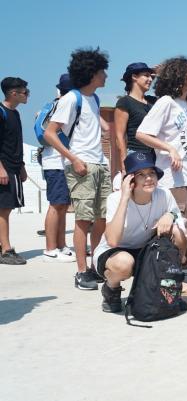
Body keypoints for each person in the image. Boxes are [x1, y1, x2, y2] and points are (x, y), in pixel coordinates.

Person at [44, 48, 111, 289]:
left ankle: (95, 265)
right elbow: (50, 133)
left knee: (102, 218)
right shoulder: (71, 98)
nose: (105, 75)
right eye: (102, 71)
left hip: (100, 163)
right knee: (83, 220)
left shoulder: (94, 99)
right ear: (91, 73)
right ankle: (81, 271)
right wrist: (73, 158)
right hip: (82, 165)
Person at [94, 152, 186, 313]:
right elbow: (113, 241)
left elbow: (182, 228)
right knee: (124, 263)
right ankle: (111, 288)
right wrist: (124, 198)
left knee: (177, 231)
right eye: (141, 175)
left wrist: (170, 215)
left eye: (151, 173)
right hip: (113, 253)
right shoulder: (115, 199)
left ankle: (170, 281)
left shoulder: (163, 194)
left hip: (144, 250)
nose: (149, 178)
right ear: (131, 180)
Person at [136, 56, 187, 267]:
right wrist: (169, 148)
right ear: (178, 76)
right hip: (173, 177)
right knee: (177, 227)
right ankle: (168, 276)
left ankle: (179, 273)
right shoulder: (166, 102)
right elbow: (142, 134)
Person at [39, 74, 77, 263]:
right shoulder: (62, 105)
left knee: (62, 205)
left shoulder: (55, 105)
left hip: (61, 163)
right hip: (55, 162)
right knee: (56, 205)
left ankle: (61, 245)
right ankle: (50, 248)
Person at [0, 77, 29, 265]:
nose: (27, 95)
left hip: (14, 166)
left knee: (6, 208)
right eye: (25, 92)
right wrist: (1, 169)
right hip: (4, 168)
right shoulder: (1, 112)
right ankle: (6, 250)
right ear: (13, 93)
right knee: (4, 210)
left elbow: (15, 142)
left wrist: (22, 166)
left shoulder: (15, 114)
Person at [114, 62, 157, 160]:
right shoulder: (125, 102)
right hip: (136, 155)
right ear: (134, 77)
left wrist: (162, 75)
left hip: (155, 155)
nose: (150, 79)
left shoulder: (153, 101)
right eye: (146, 76)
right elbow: (120, 136)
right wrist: (124, 163)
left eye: (151, 77)